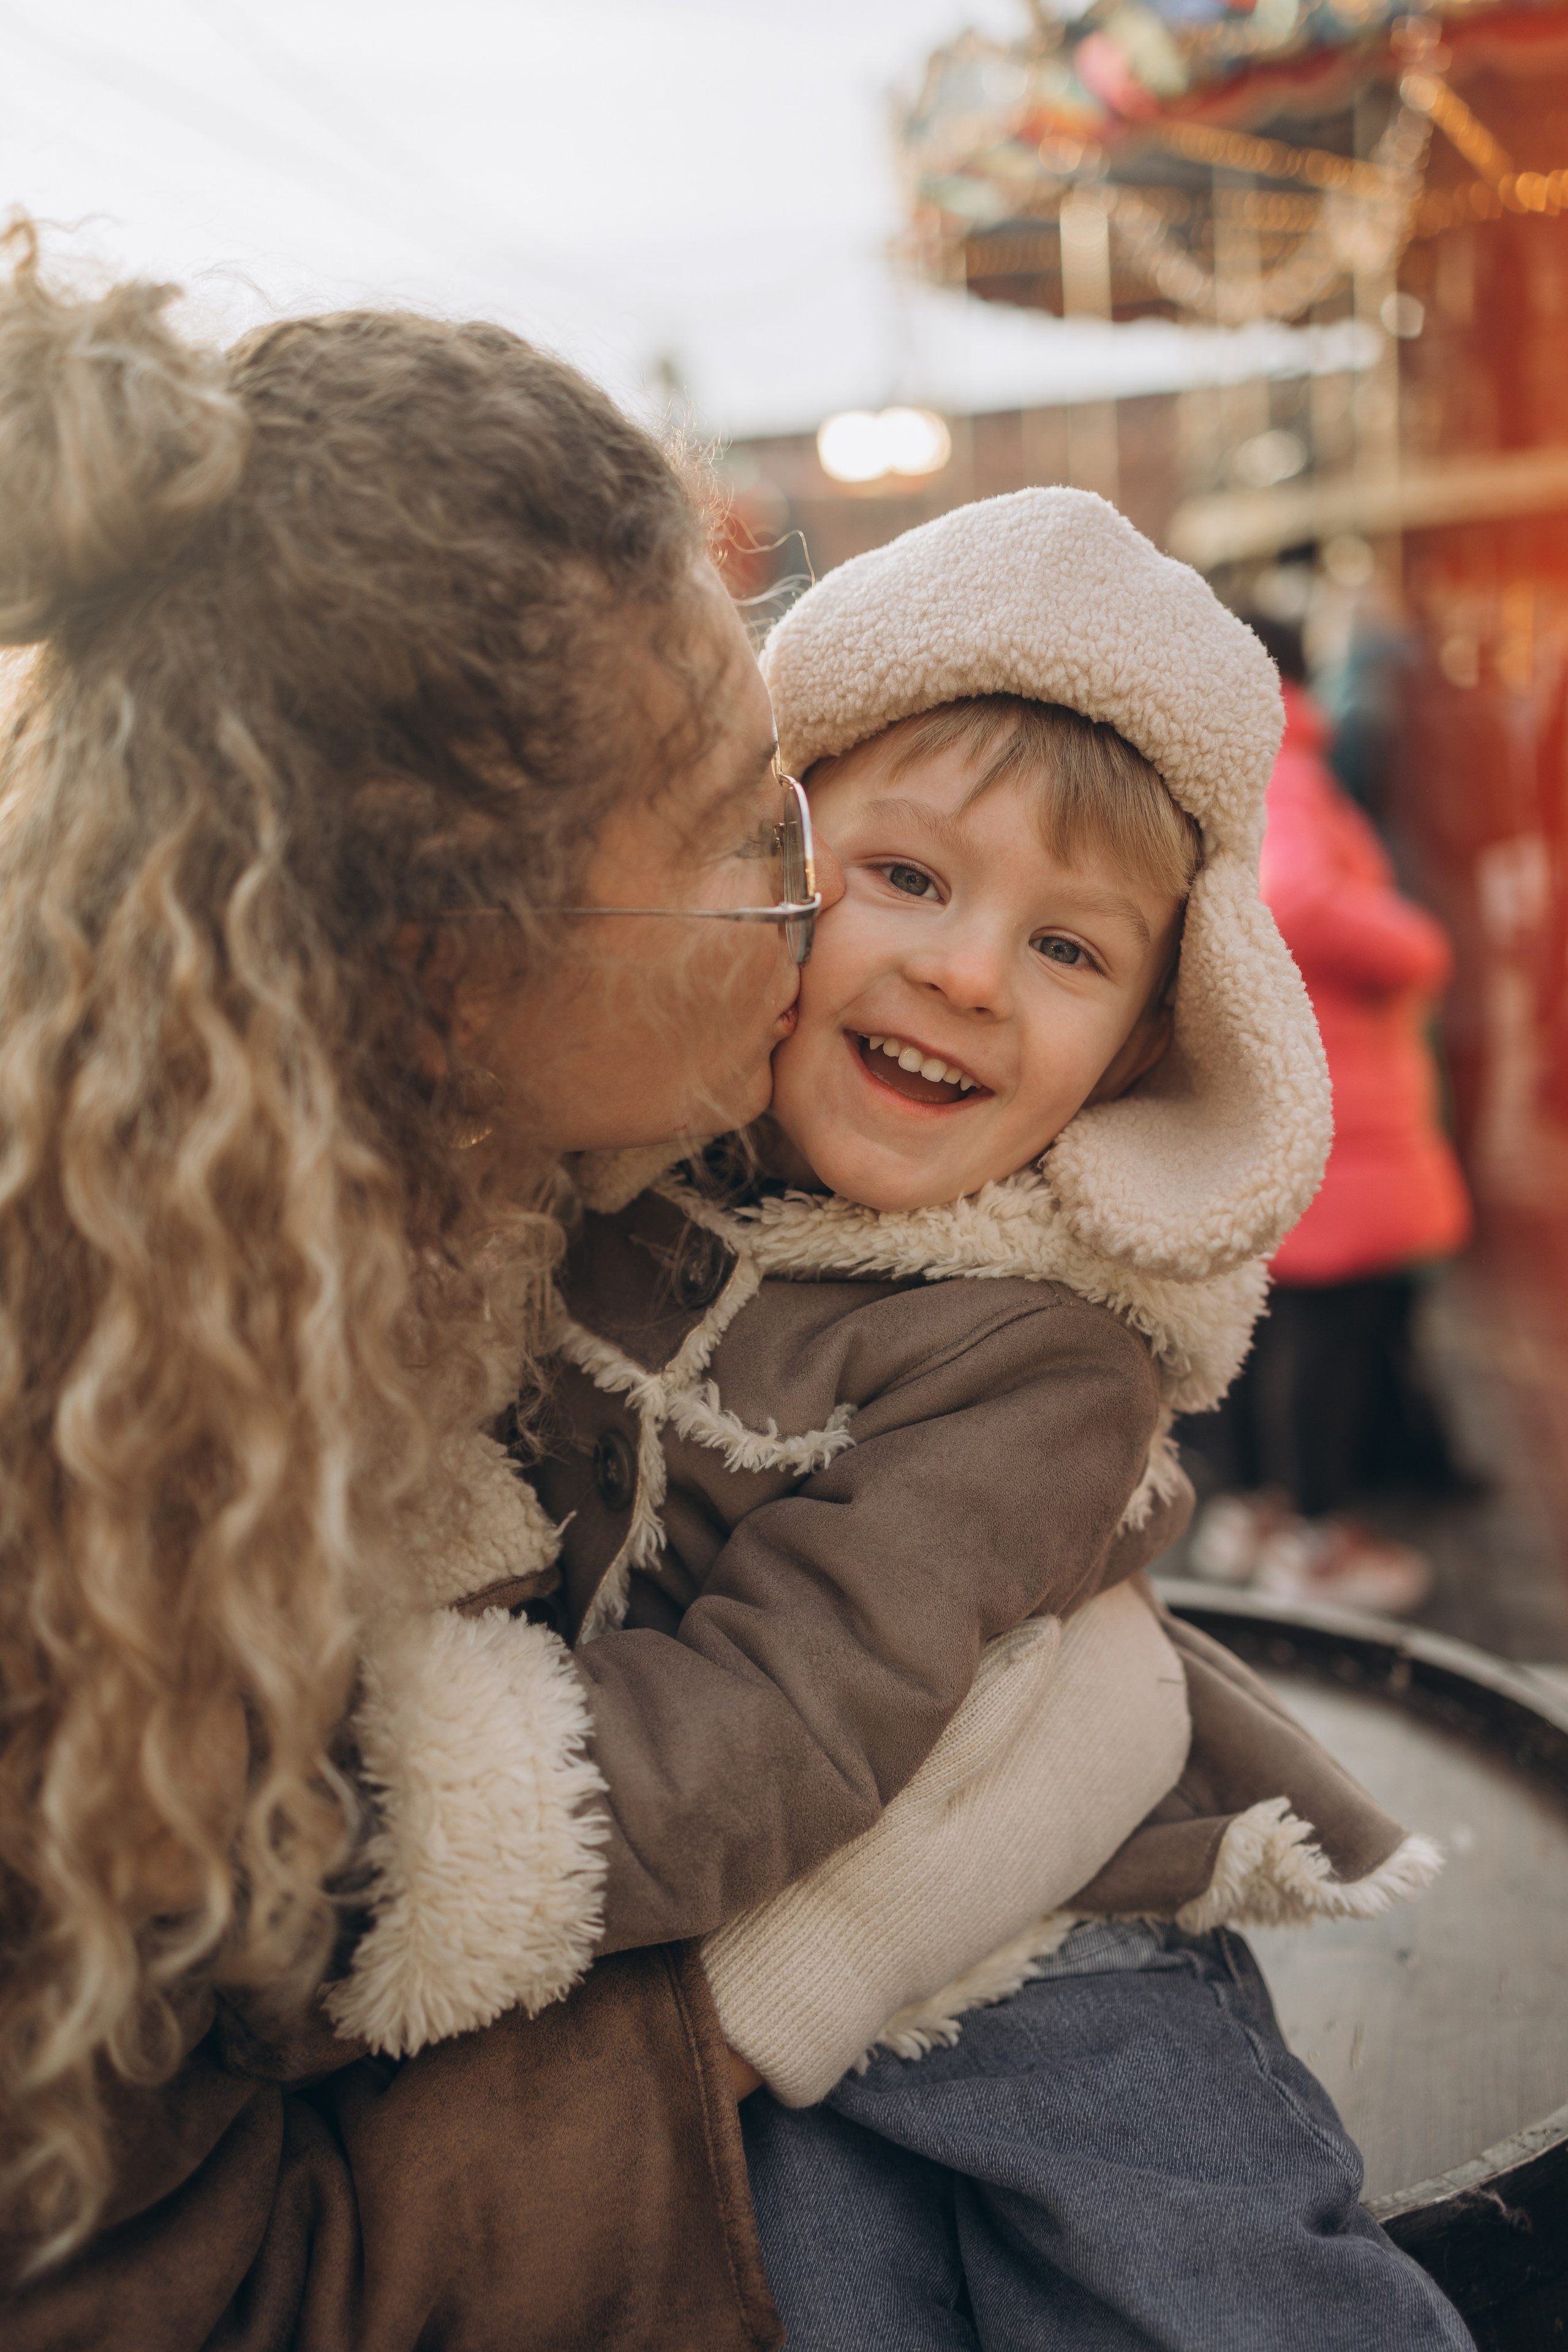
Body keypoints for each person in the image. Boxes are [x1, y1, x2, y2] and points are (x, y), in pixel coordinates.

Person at [529, 491, 1474, 2348]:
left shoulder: (1038, 1352)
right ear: (769, 868)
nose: (969, 971)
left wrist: (448, 1851)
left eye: (1069, 949)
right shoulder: (621, 1201)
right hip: (729, 1940)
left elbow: (796, 1707)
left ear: (1140, 1047)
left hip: (1043, 1945)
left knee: (1203, 2286)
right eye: (910, 877)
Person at [0, 222, 821, 2350]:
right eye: (744, 833)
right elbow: (176, 2300)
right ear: (446, 978)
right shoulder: (64, 1519)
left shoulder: (362, 1188)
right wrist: (766, 2013)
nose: (810, 892)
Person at [1184, 614, 1474, 1615]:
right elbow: (1298, 898)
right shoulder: (1291, 770)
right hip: (1344, 1102)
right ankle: (1311, 1539)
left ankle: (1265, 1517)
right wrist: (1418, 943)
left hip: (1312, 1090)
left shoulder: (1232, 766)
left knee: (1282, 1323)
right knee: (1326, 1331)